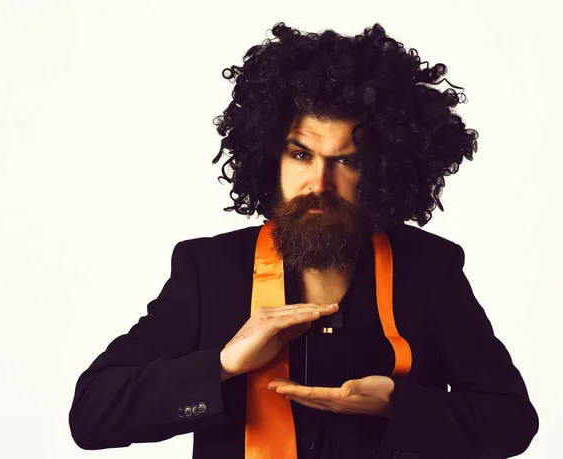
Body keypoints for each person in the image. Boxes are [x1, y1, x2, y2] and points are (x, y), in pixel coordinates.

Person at [68, 22, 539, 459]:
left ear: (385, 171)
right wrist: (224, 364)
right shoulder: (209, 269)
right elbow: (92, 415)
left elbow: (512, 420)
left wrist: (400, 406)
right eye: (300, 153)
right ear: (269, 157)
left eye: (347, 161)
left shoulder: (430, 268)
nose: (319, 182)